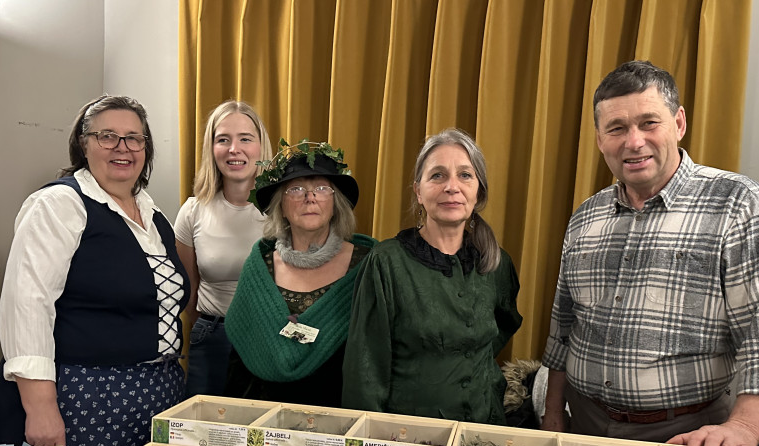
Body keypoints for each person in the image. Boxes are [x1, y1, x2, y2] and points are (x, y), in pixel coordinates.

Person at [539, 61, 759, 446]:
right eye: (616, 128)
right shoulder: (585, 216)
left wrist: (745, 429)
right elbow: (563, 330)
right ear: (600, 140)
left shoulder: (739, 204)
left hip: (684, 433)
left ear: (679, 123)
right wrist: (551, 413)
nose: (633, 141)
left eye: (649, 123)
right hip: (584, 424)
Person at [0, 95, 190, 446]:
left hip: (157, 394)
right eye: (106, 136)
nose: (122, 147)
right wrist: (41, 407)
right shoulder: (59, 205)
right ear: (83, 143)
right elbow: (27, 305)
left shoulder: (156, 218)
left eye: (134, 138)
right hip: (83, 395)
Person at [341, 128, 523, 424]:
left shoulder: (498, 264)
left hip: (484, 426)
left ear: (478, 191)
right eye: (437, 175)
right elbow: (365, 369)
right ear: (418, 192)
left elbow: (504, 322)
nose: (452, 187)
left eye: (465, 175)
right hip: (405, 433)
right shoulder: (386, 263)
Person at [223, 140, 377, 407]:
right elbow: (240, 359)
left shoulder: (367, 266)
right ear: (280, 204)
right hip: (266, 414)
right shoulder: (260, 266)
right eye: (295, 189)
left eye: (321, 188)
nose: (310, 197)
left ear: (335, 201)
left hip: (341, 412)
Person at [175, 100, 273, 397]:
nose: (234, 149)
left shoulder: (285, 210)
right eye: (223, 140)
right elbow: (187, 290)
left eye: (245, 139)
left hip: (269, 340)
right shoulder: (193, 210)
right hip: (213, 338)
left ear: (260, 146)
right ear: (211, 148)